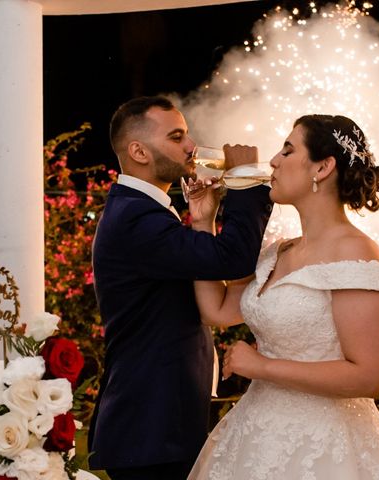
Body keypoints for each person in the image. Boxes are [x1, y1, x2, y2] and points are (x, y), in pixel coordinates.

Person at [187, 114, 379, 479]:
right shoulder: (278, 250)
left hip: (325, 446)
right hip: (255, 433)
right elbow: (218, 309)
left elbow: (371, 377)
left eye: (287, 150)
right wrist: (203, 223)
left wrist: (261, 367)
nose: (274, 160)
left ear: (322, 167)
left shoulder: (358, 253)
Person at [88, 95, 273, 480]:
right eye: (176, 137)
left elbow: (209, 273)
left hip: (160, 424)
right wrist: (246, 178)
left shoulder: (142, 210)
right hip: (150, 428)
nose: (191, 147)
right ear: (138, 150)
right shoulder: (136, 219)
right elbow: (233, 258)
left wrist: (203, 223)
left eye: (187, 135)